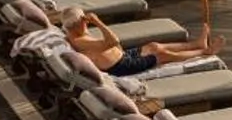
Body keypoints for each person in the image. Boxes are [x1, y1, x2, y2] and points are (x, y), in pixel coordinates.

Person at [62, 6, 214, 80]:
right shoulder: (80, 41)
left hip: (123, 56)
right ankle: (203, 52)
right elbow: (113, 41)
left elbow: (111, 45)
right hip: (121, 67)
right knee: (161, 55)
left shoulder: (76, 33)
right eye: (83, 20)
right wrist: (97, 21)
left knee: (153, 46)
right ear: (76, 24)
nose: (86, 23)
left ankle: (197, 44)